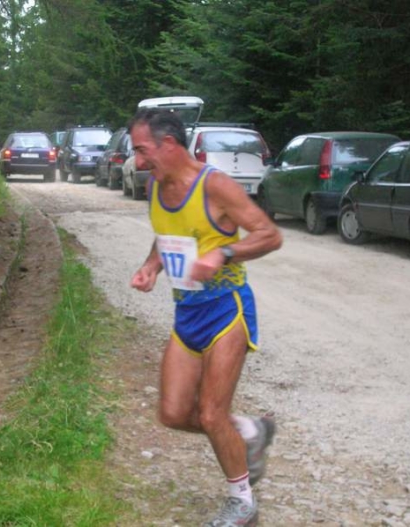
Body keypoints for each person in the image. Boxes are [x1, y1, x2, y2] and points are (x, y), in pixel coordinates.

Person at [128, 108, 283, 527]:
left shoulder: (215, 186)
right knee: (174, 413)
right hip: (187, 312)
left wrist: (224, 252)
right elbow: (166, 236)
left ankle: (242, 502)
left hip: (226, 308)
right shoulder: (155, 187)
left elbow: (270, 235)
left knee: (212, 413)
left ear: (169, 144)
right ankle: (249, 432)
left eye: (142, 150)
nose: (138, 161)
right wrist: (151, 266)